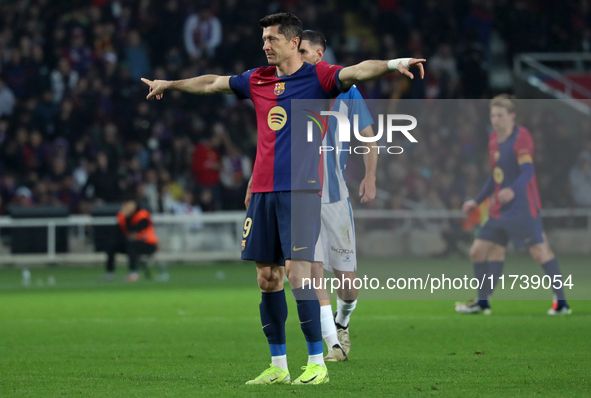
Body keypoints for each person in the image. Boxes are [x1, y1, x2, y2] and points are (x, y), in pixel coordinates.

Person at [142, 12, 425, 385]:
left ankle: (316, 363)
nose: (264, 45)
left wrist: (394, 64)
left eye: (271, 39)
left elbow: (358, 71)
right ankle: (278, 365)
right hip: (262, 189)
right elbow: (212, 82)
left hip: (303, 189)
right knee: (266, 277)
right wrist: (171, 84)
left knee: (299, 274)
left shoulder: (319, 77)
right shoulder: (256, 79)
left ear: (293, 43)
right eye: (263, 39)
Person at [295, 30, 377, 362]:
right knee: (312, 272)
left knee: (348, 283)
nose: (297, 56)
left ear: (319, 54)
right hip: (303, 197)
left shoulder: (347, 91)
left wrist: (370, 175)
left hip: (336, 198)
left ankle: (342, 321)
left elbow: (369, 139)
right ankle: (333, 346)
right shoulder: (290, 88)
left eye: (302, 50)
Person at [456, 95, 571, 316]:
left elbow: (528, 171)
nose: (495, 119)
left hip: (523, 207)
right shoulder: (492, 140)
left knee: (540, 252)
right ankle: (483, 302)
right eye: (493, 115)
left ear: (512, 116)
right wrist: (476, 202)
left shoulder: (521, 138)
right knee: (478, 251)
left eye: (500, 115)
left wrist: (512, 190)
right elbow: (495, 177)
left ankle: (562, 302)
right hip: (499, 209)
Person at [104, 198, 158, 282]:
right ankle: (110, 273)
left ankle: (133, 273)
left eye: (129, 204)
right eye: (125, 205)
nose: (127, 207)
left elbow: (136, 231)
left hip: (148, 244)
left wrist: (126, 221)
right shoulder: (122, 216)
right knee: (112, 244)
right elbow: (120, 233)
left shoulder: (142, 214)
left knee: (132, 244)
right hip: (130, 242)